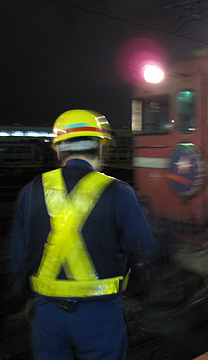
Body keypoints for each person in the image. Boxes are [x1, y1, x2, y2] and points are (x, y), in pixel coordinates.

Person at [9, 109, 157, 360]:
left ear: (58, 151)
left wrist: (22, 295)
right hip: (100, 314)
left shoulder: (29, 191)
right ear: (100, 148)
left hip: (47, 314)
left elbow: (19, 258)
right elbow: (143, 248)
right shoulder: (119, 191)